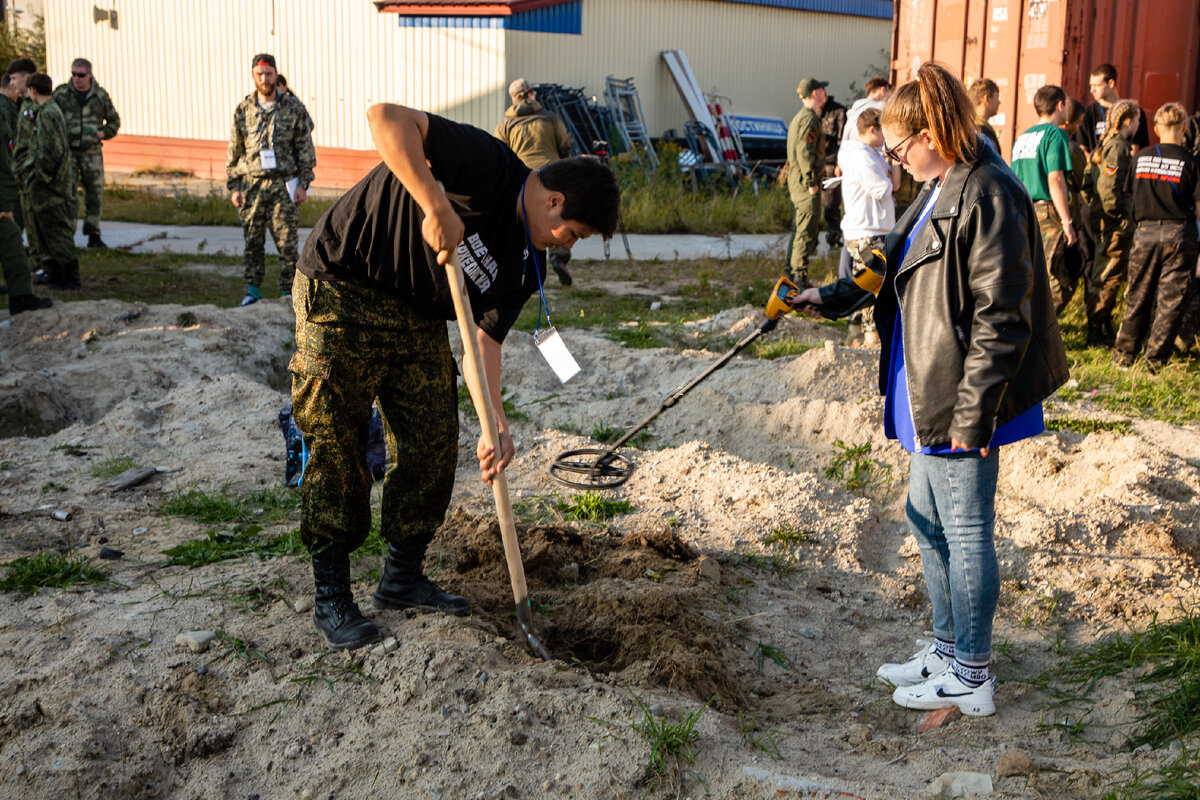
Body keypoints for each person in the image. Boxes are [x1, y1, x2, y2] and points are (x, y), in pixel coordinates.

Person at [793, 62, 1068, 717]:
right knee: (927, 521)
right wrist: (826, 298)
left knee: (965, 531)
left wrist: (975, 418)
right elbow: (888, 260)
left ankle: (972, 676)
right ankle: (947, 650)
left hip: (963, 398)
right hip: (926, 389)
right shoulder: (939, 185)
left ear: (931, 131)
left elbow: (1004, 313)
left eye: (897, 147)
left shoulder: (989, 192)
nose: (892, 162)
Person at [291, 103, 619, 650]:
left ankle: (401, 578)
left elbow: (483, 342)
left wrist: (496, 421)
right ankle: (332, 593)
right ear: (555, 201)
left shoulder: (526, 263)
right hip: (344, 286)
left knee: (433, 441)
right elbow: (385, 119)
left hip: (417, 313)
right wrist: (435, 200)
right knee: (338, 440)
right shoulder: (487, 164)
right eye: (575, 233)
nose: (569, 244)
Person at [1112, 102, 1200, 371]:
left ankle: (1124, 356)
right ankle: (1155, 361)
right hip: (1179, 234)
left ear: (1156, 128)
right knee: (1170, 301)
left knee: (1137, 295)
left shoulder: (1140, 158)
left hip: (1145, 234)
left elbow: (1129, 195)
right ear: (1184, 126)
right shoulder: (1190, 162)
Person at [226, 53, 315, 306]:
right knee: (252, 240)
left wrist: (303, 184)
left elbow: (305, 149)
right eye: (259, 74)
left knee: (287, 242)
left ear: (276, 75)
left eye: (268, 73)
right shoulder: (243, 109)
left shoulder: (293, 108)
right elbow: (235, 150)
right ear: (253, 76)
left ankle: (289, 292)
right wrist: (234, 186)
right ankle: (253, 290)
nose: (264, 78)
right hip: (252, 185)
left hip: (285, 184)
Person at [494, 78, 573, 285]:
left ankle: (524, 271)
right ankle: (559, 258)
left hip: (524, 181)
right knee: (560, 217)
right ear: (530, 94)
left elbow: (499, 155)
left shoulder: (505, 124)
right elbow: (565, 146)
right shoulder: (550, 118)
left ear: (513, 98)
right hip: (552, 175)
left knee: (525, 224)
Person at [1010, 85, 1077, 312]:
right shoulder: (1055, 134)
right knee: (1055, 275)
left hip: (1022, 213)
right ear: (1060, 105)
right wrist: (1067, 222)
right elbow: (1055, 178)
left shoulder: (1021, 138)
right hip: (1047, 213)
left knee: (1028, 273)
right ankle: (1041, 331)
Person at [838, 107, 897, 347]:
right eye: (883, 130)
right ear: (872, 129)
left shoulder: (867, 153)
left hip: (867, 228)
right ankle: (870, 335)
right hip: (867, 231)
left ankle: (855, 331)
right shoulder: (861, 156)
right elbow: (883, 189)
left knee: (862, 281)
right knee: (874, 284)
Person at [14, 73, 77, 291]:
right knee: (47, 230)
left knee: (57, 229)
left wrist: (39, 176)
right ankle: (56, 274)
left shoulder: (48, 113)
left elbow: (50, 150)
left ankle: (70, 277)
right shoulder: (48, 111)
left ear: (32, 89)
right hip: (45, 181)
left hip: (49, 183)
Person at [1085, 101, 1140, 346]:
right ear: (1128, 121)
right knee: (1109, 276)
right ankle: (1096, 330)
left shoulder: (1104, 144)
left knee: (1102, 273)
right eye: (1138, 120)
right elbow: (1109, 190)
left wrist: (1096, 207)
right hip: (1113, 224)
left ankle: (1101, 326)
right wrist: (1121, 215)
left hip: (1101, 219)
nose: (1139, 125)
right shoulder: (1118, 147)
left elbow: (1087, 183)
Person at [52, 58, 120, 249]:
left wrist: (102, 133)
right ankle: (67, 236)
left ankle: (93, 234)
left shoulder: (99, 96)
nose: (77, 78)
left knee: (94, 195)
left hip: (91, 153)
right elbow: (49, 118)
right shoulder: (61, 95)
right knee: (68, 195)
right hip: (69, 154)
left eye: (81, 75)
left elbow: (114, 122)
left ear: (89, 75)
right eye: (73, 74)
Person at [0, 72, 50, 313]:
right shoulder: (4, 110)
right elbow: (4, 161)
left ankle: (21, 298)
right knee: (11, 242)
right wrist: (5, 204)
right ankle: (21, 299)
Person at [786, 78, 826, 286]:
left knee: (799, 228)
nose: (825, 92)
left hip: (797, 182)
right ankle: (798, 278)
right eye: (822, 89)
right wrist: (811, 181)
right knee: (805, 231)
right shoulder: (809, 119)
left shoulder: (800, 117)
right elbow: (804, 151)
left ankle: (791, 274)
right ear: (815, 93)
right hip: (805, 184)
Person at [1060, 98, 1094, 309]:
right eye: (1079, 121)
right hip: (1066, 216)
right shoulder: (1072, 149)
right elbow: (1084, 180)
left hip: (1035, 214)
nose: (1079, 126)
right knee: (1066, 274)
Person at [1076, 64, 1149, 155]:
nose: (1092, 90)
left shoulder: (1133, 112)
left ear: (1111, 83)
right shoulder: (1087, 113)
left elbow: (1134, 150)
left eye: (1097, 86)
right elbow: (1081, 148)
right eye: (1091, 85)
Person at [820, 92, 848, 249]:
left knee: (831, 202)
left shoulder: (838, 111)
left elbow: (842, 140)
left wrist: (840, 163)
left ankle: (834, 236)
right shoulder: (815, 112)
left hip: (831, 163)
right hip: (816, 164)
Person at [842, 76, 891, 144]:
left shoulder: (853, 111)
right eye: (890, 94)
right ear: (882, 90)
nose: (890, 99)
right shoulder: (880, 108)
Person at [969, 78, 1001, 153]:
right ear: (987, 98)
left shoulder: (967, 126)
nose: (999, 102)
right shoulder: (982, 130)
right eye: (997, 97)